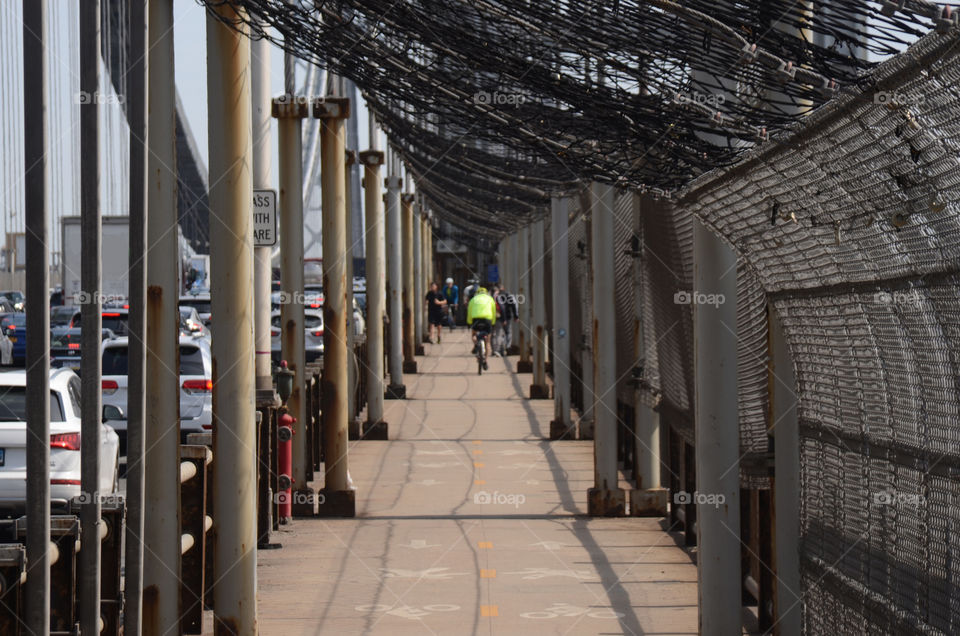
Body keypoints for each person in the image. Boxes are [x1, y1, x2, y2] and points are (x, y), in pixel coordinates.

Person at [467, 285, 497, 370]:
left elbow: (469, 312)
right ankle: (485, 361)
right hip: (487, 320)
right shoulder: (490, 299)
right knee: (488, 342)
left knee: (474, 334)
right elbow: (493, 311)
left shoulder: (473, 299)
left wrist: (469, 322)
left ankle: (476, 344)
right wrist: (493, 322)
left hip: (476, 319)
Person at [493, 284, 518, 356]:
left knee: (498, 334)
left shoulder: (495, 296)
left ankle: (498, 350)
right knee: (508, 333)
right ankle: (507, 347)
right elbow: (514, 305)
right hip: (508, 317)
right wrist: (516, 316)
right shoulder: (508, 295)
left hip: (498, 317)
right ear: (503, 288)